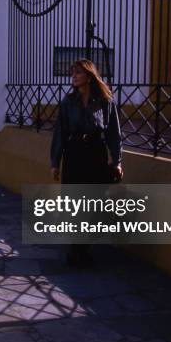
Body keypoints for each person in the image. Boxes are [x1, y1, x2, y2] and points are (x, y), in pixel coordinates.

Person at [50, 59, 123, 264]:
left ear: (89, 77)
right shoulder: (67, 102)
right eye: (72, 73)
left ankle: (83, 247)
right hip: (74, 154)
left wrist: (117, 161)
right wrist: (55, 162)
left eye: (78, 73)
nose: (73, 76)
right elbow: (59, 133)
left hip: (95, 154)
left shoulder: (105, 101)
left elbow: (113, 134)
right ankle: (77, 250)